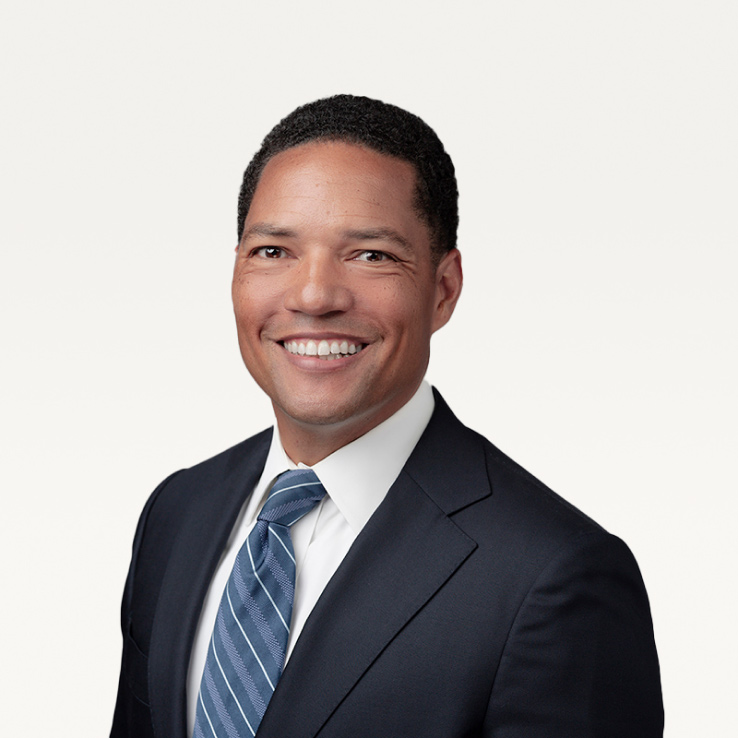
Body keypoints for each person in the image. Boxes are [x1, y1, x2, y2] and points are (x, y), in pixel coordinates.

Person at [110, 94, 663, 738]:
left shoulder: (554, 577)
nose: (314, 295)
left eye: (371, 255)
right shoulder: (178, 512)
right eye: (272, 251)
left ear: (444, 289)